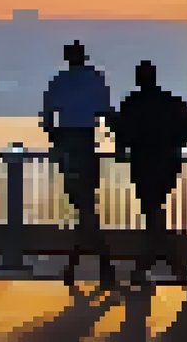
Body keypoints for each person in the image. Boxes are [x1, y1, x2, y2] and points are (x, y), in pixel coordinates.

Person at [108, 60, 187, 283]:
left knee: (151, 210)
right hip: (168, 162)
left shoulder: (132, 103)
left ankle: (162, 262)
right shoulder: (172, 103)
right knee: (155, 209)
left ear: (139, 79)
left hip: (144, 163)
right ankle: (161, 262)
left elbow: (122, 138)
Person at [42, 40, 116, 286]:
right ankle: (98, 265)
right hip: (86, 143)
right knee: (87, 206)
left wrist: (56, 140)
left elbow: (48, 116)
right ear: (83, 56)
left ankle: (79, 265)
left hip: (68, 145)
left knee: (82, 207)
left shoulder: (58, 81)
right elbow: (105, 112)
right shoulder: (95, 79)